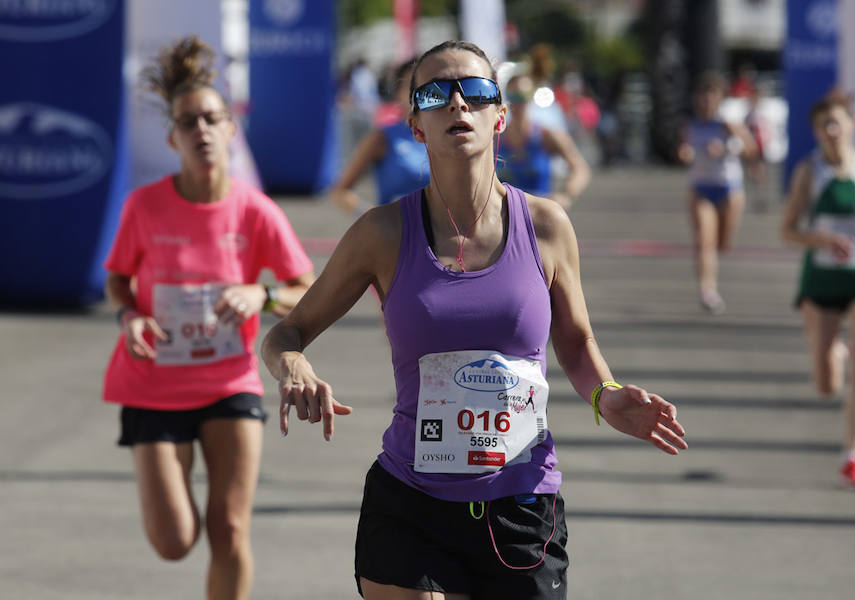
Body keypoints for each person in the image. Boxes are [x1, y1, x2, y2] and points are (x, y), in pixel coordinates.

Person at [262, 40, 687, 599]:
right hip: (410, 498)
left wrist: (604, 394)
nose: (458, 104)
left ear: (499, 116)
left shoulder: (548, 226)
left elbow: (577, 341)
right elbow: (286, 331)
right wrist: (292, 365)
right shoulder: (382, 233)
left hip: (520, 503)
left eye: (476, 91)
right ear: (415, 126)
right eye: (436, 93)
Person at [102, 36, 316, 599]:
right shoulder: (144, 206)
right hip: (152, 384)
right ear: (173, 137)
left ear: (229, 130)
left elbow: (307, 291)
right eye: (187, 122)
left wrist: (260, 294)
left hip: (228, 383)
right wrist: (129, 317)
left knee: (230, 528)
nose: (200, 130)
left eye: (211, 118)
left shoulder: (255, 210)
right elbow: (118, 278)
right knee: (174, 541)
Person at [780, 89, 855, 491]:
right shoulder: (809, 172)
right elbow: (788, 231)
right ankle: (836, 352)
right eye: (823, 125)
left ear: (852, 126)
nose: (831, 130)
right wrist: (822, 240)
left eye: (837, 123)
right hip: (823, 282)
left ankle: (853, 457)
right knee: (827, 384)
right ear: (815, 131)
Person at [677, 71, 758, 314]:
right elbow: (683, 150)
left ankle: (710, 281)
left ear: (720, 99)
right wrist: (684, 154)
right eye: (703, 96)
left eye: (712, 96)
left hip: (729, 189)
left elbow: (751, 150)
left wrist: (726, 147)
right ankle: (707, 291)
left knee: (723, 244)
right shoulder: (690, 126)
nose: (707, 101)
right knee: (704, 241)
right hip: (701, 188)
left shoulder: (727, 124)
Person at [330, 59, 429, 216]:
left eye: (427, 87)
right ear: (398, 93)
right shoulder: (383, 137)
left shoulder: (448, 136)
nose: (419, 93)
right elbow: (339, 191)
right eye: (412, 86)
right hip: (398, 237)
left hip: (444, 237)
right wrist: (374, 218)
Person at [498, 74, 591, 210]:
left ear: (531, 97)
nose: (518, 103)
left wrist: (566, 195)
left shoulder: (547, 136)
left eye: (523, 97)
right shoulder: (495, 138)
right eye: (513, 97)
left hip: (539, 217)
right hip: (504, 217)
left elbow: (580, 168)